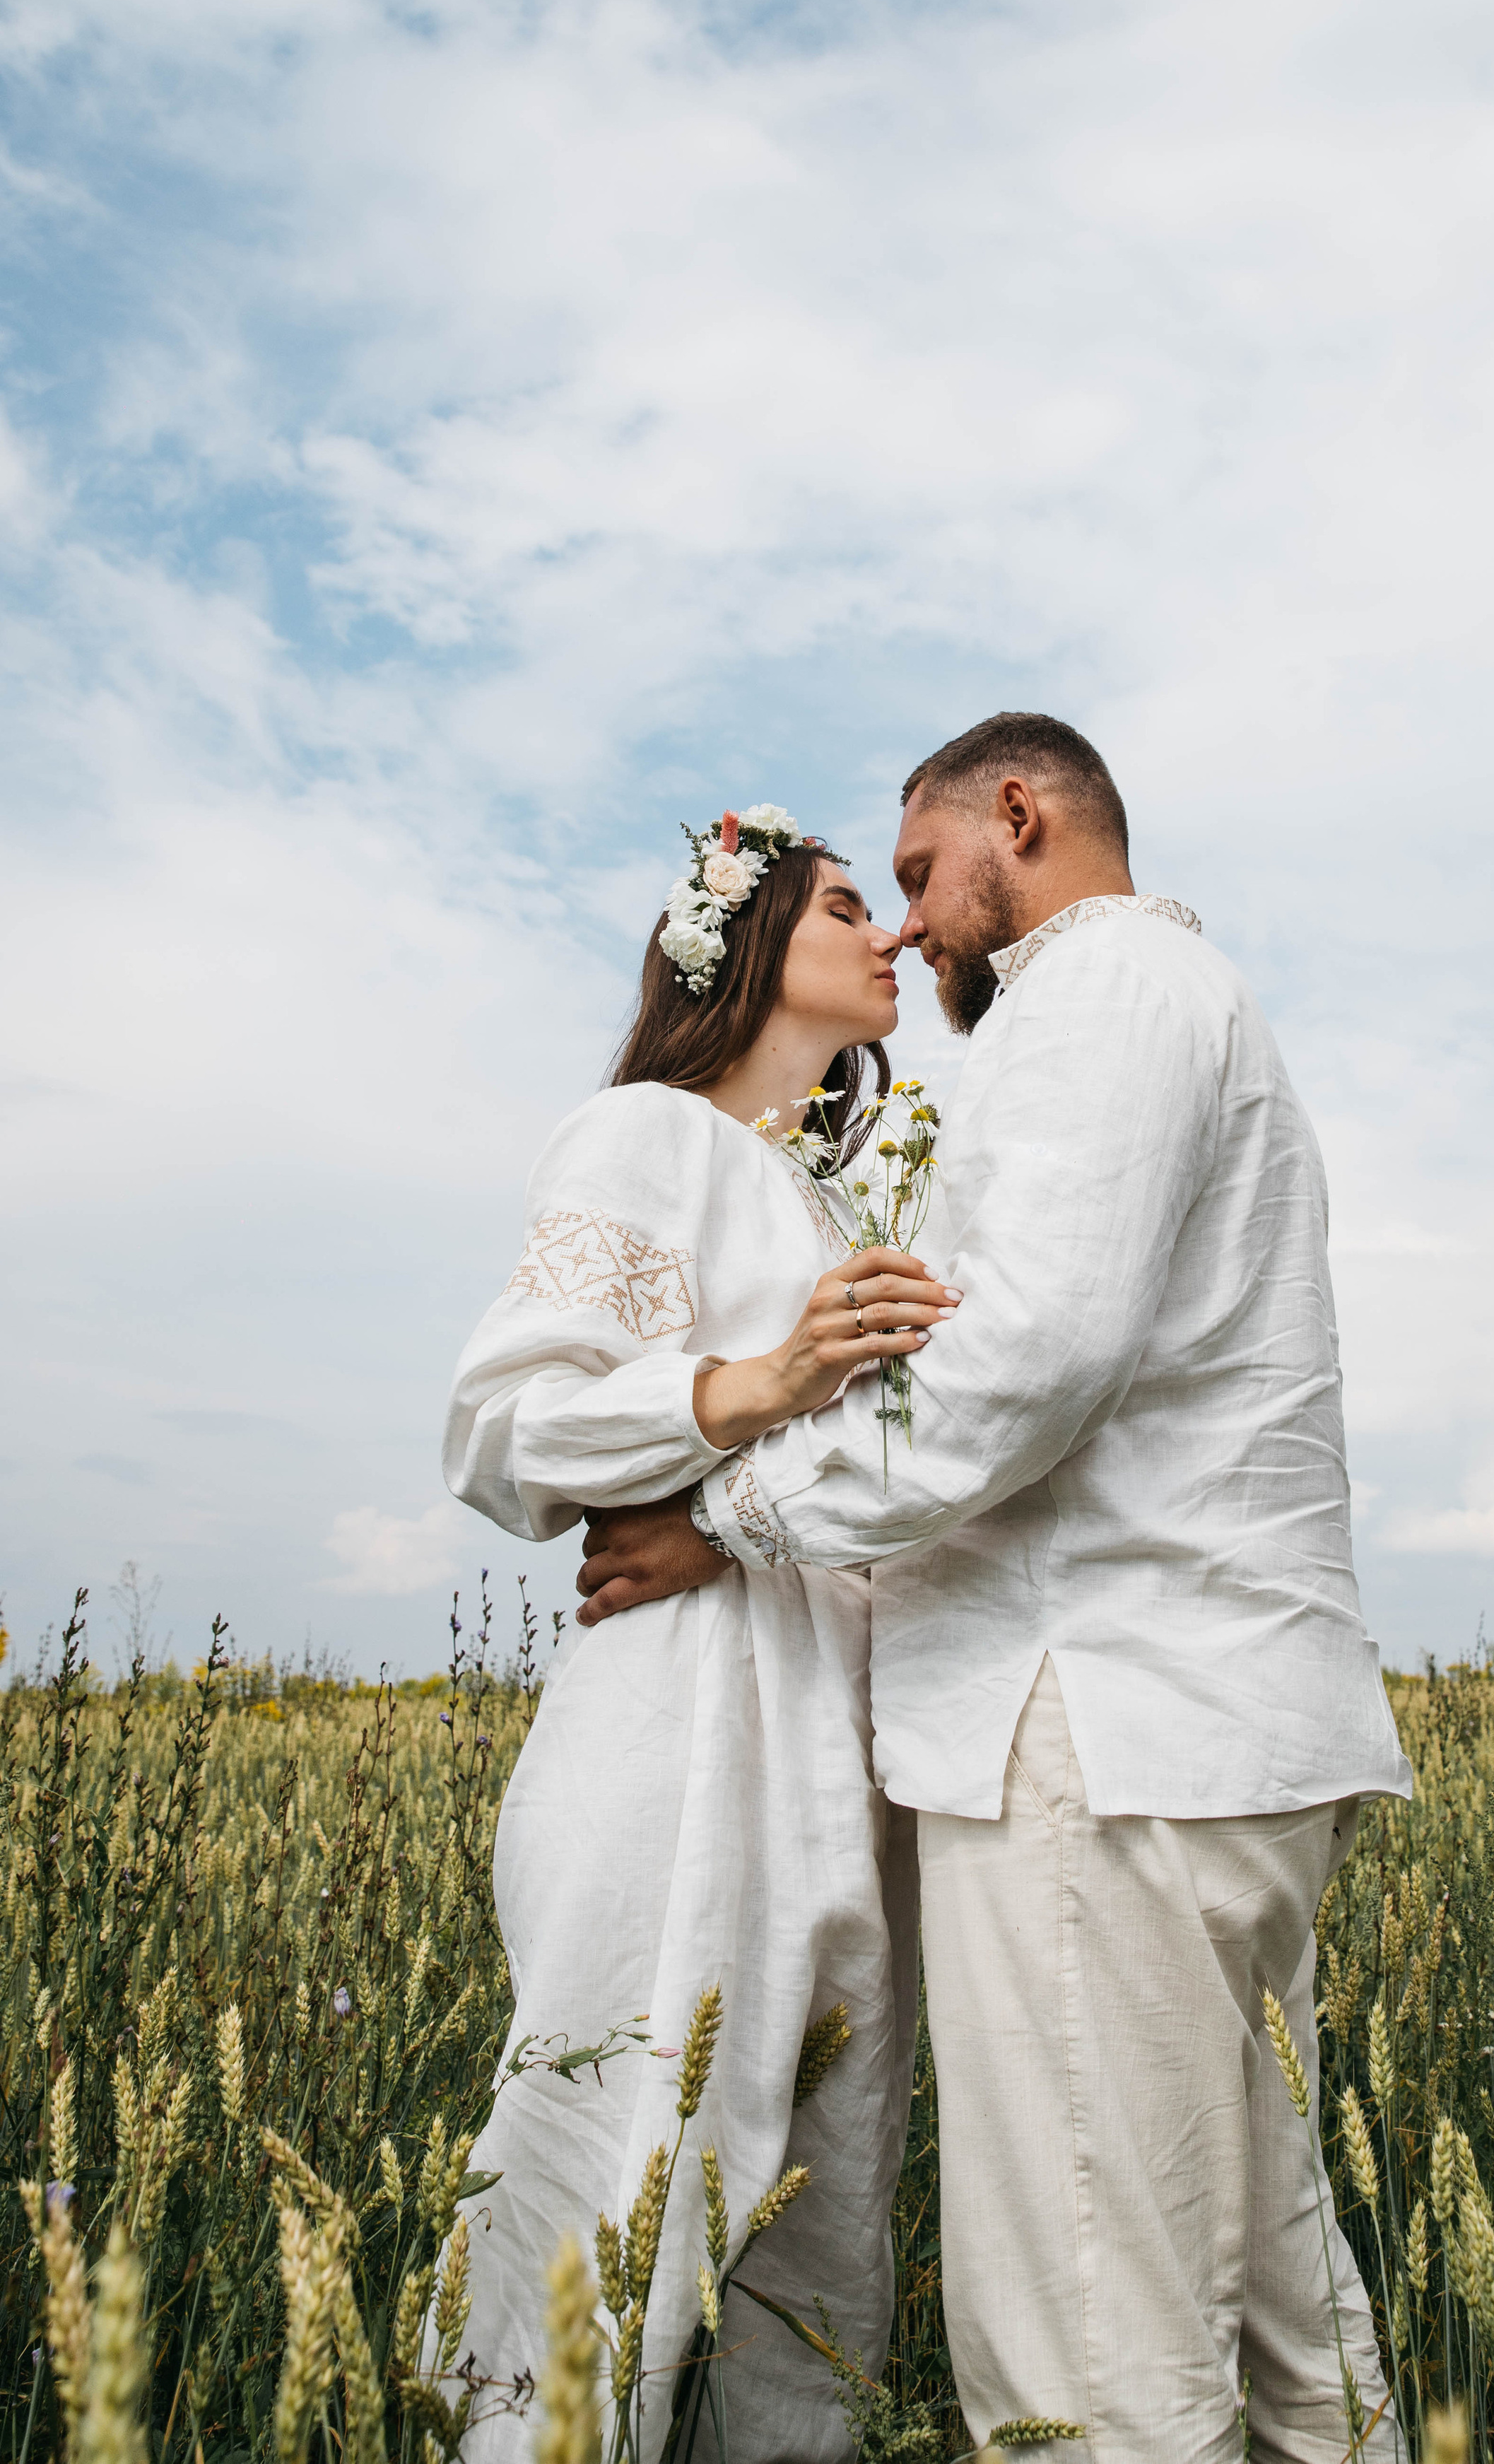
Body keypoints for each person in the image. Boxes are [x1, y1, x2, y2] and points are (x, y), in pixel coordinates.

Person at [575, 716, 1416, 2464]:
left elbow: (1023, 1359)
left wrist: (727, 1514)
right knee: (1269, 2310)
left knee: (1085, 2339)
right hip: (1203, 1731)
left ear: (1015, 820)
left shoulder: (1097, 1002)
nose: (909, 930)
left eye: (913, 878)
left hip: (1094, 1727)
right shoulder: (1184, 1008)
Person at [440, 807, 958, 2462]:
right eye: (840, 907)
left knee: (820, 2217)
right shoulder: (641, 1139)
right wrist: (756, 1387)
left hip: (838, 1724)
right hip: (681, 1717)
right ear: (735, 948)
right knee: (615, 2170)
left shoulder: (838, 1196)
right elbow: (505, 1433)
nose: (885, 935)